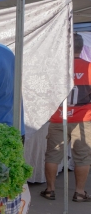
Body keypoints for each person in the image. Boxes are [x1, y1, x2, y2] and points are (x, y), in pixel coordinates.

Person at [41, 33, 91, 202]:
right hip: (83, 119)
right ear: (81, 48)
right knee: (82, 157)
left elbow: (47, 93)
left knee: (52, 155)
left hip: (58, 118)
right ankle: (79, 192)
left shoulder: (57, 70)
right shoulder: (89, 67)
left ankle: (50, 190)